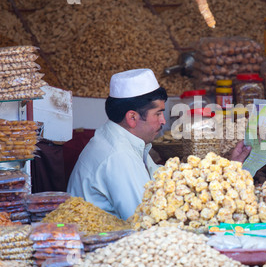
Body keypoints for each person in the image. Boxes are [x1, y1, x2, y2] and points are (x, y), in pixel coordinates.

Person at [67, 68, 251, 221]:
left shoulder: (122, 140)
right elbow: (146, 217)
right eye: (158, 113)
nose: (164, 121)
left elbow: (167, 183)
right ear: (132, 117)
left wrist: (229, 168)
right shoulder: (119, 156)